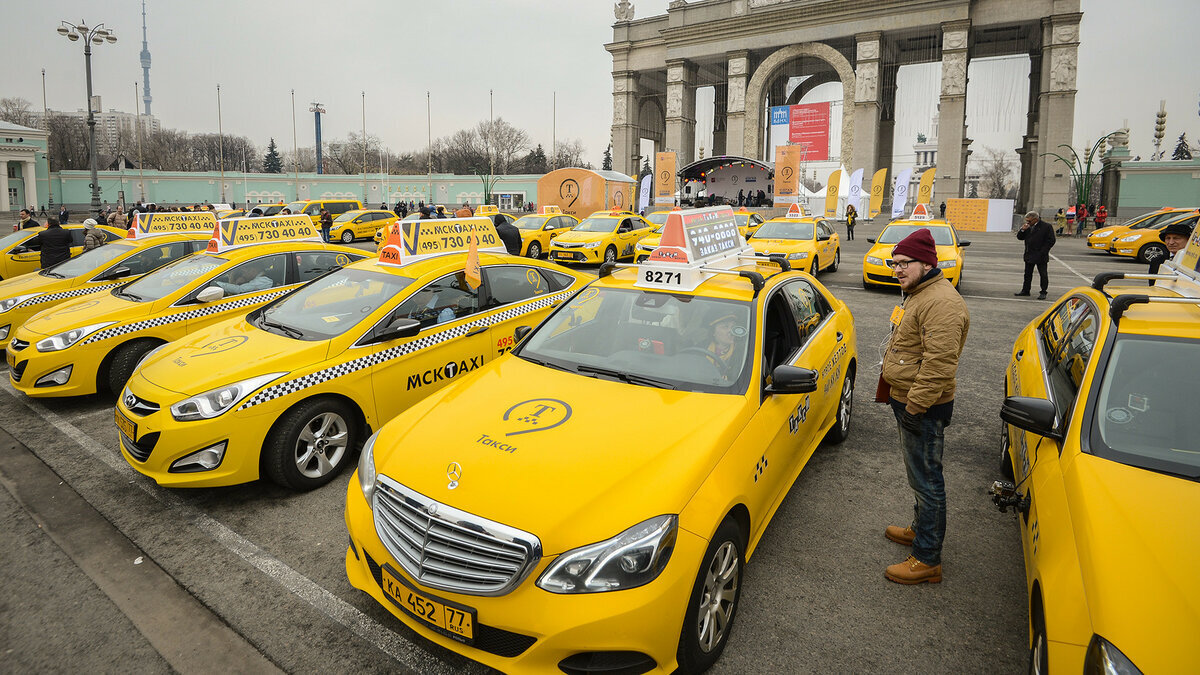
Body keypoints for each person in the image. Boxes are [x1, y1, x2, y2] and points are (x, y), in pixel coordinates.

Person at [880, 228, 970, 585]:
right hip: (909, 402)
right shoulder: (919, 292)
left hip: (923, 408)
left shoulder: (941, 303)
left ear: (927, 263)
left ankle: (927, 557)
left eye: (905, 264)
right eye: (895, 263)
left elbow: (939, 366)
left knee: (928, 482)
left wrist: (914, 408)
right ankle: (919, 530)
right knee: (919, 477)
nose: (898, 270)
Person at [1015, 210, 1055, 299]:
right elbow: (1019, 237)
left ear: (1035, 219)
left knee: (1043, 274)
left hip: (1041, 255)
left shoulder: (1046, 226)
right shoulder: (1028, 227)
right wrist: (1022, 230)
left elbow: (1051, 240)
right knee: (1027, 274)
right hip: (1029, 254)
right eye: (1027, 221)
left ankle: (1043, 291)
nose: (1027, 222)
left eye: (1029, 221)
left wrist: (1043, 251)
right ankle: (1025, 290)